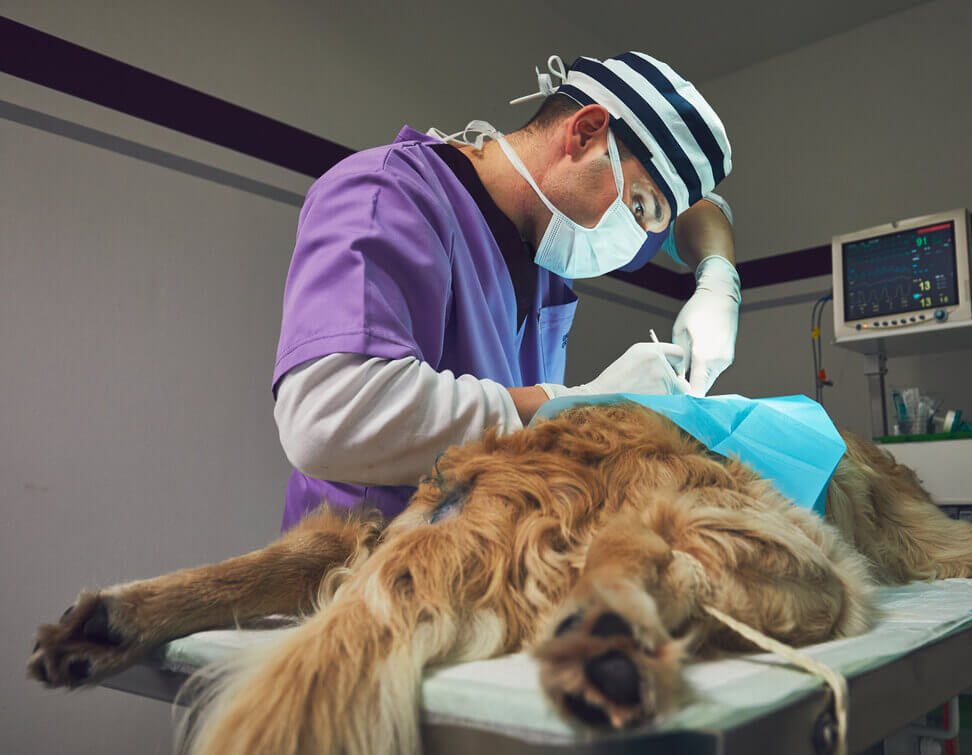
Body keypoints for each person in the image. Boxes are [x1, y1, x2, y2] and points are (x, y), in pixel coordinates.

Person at [271, 52, 739, 529]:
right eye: (639, 206)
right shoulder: (389, 195)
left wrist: (719, 280)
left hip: (482, 575)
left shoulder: (552, 235)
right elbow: (326, 418)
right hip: (359, 577)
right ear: (584, 133)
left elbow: (699, 210)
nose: (634, 240)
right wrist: (573, 407)